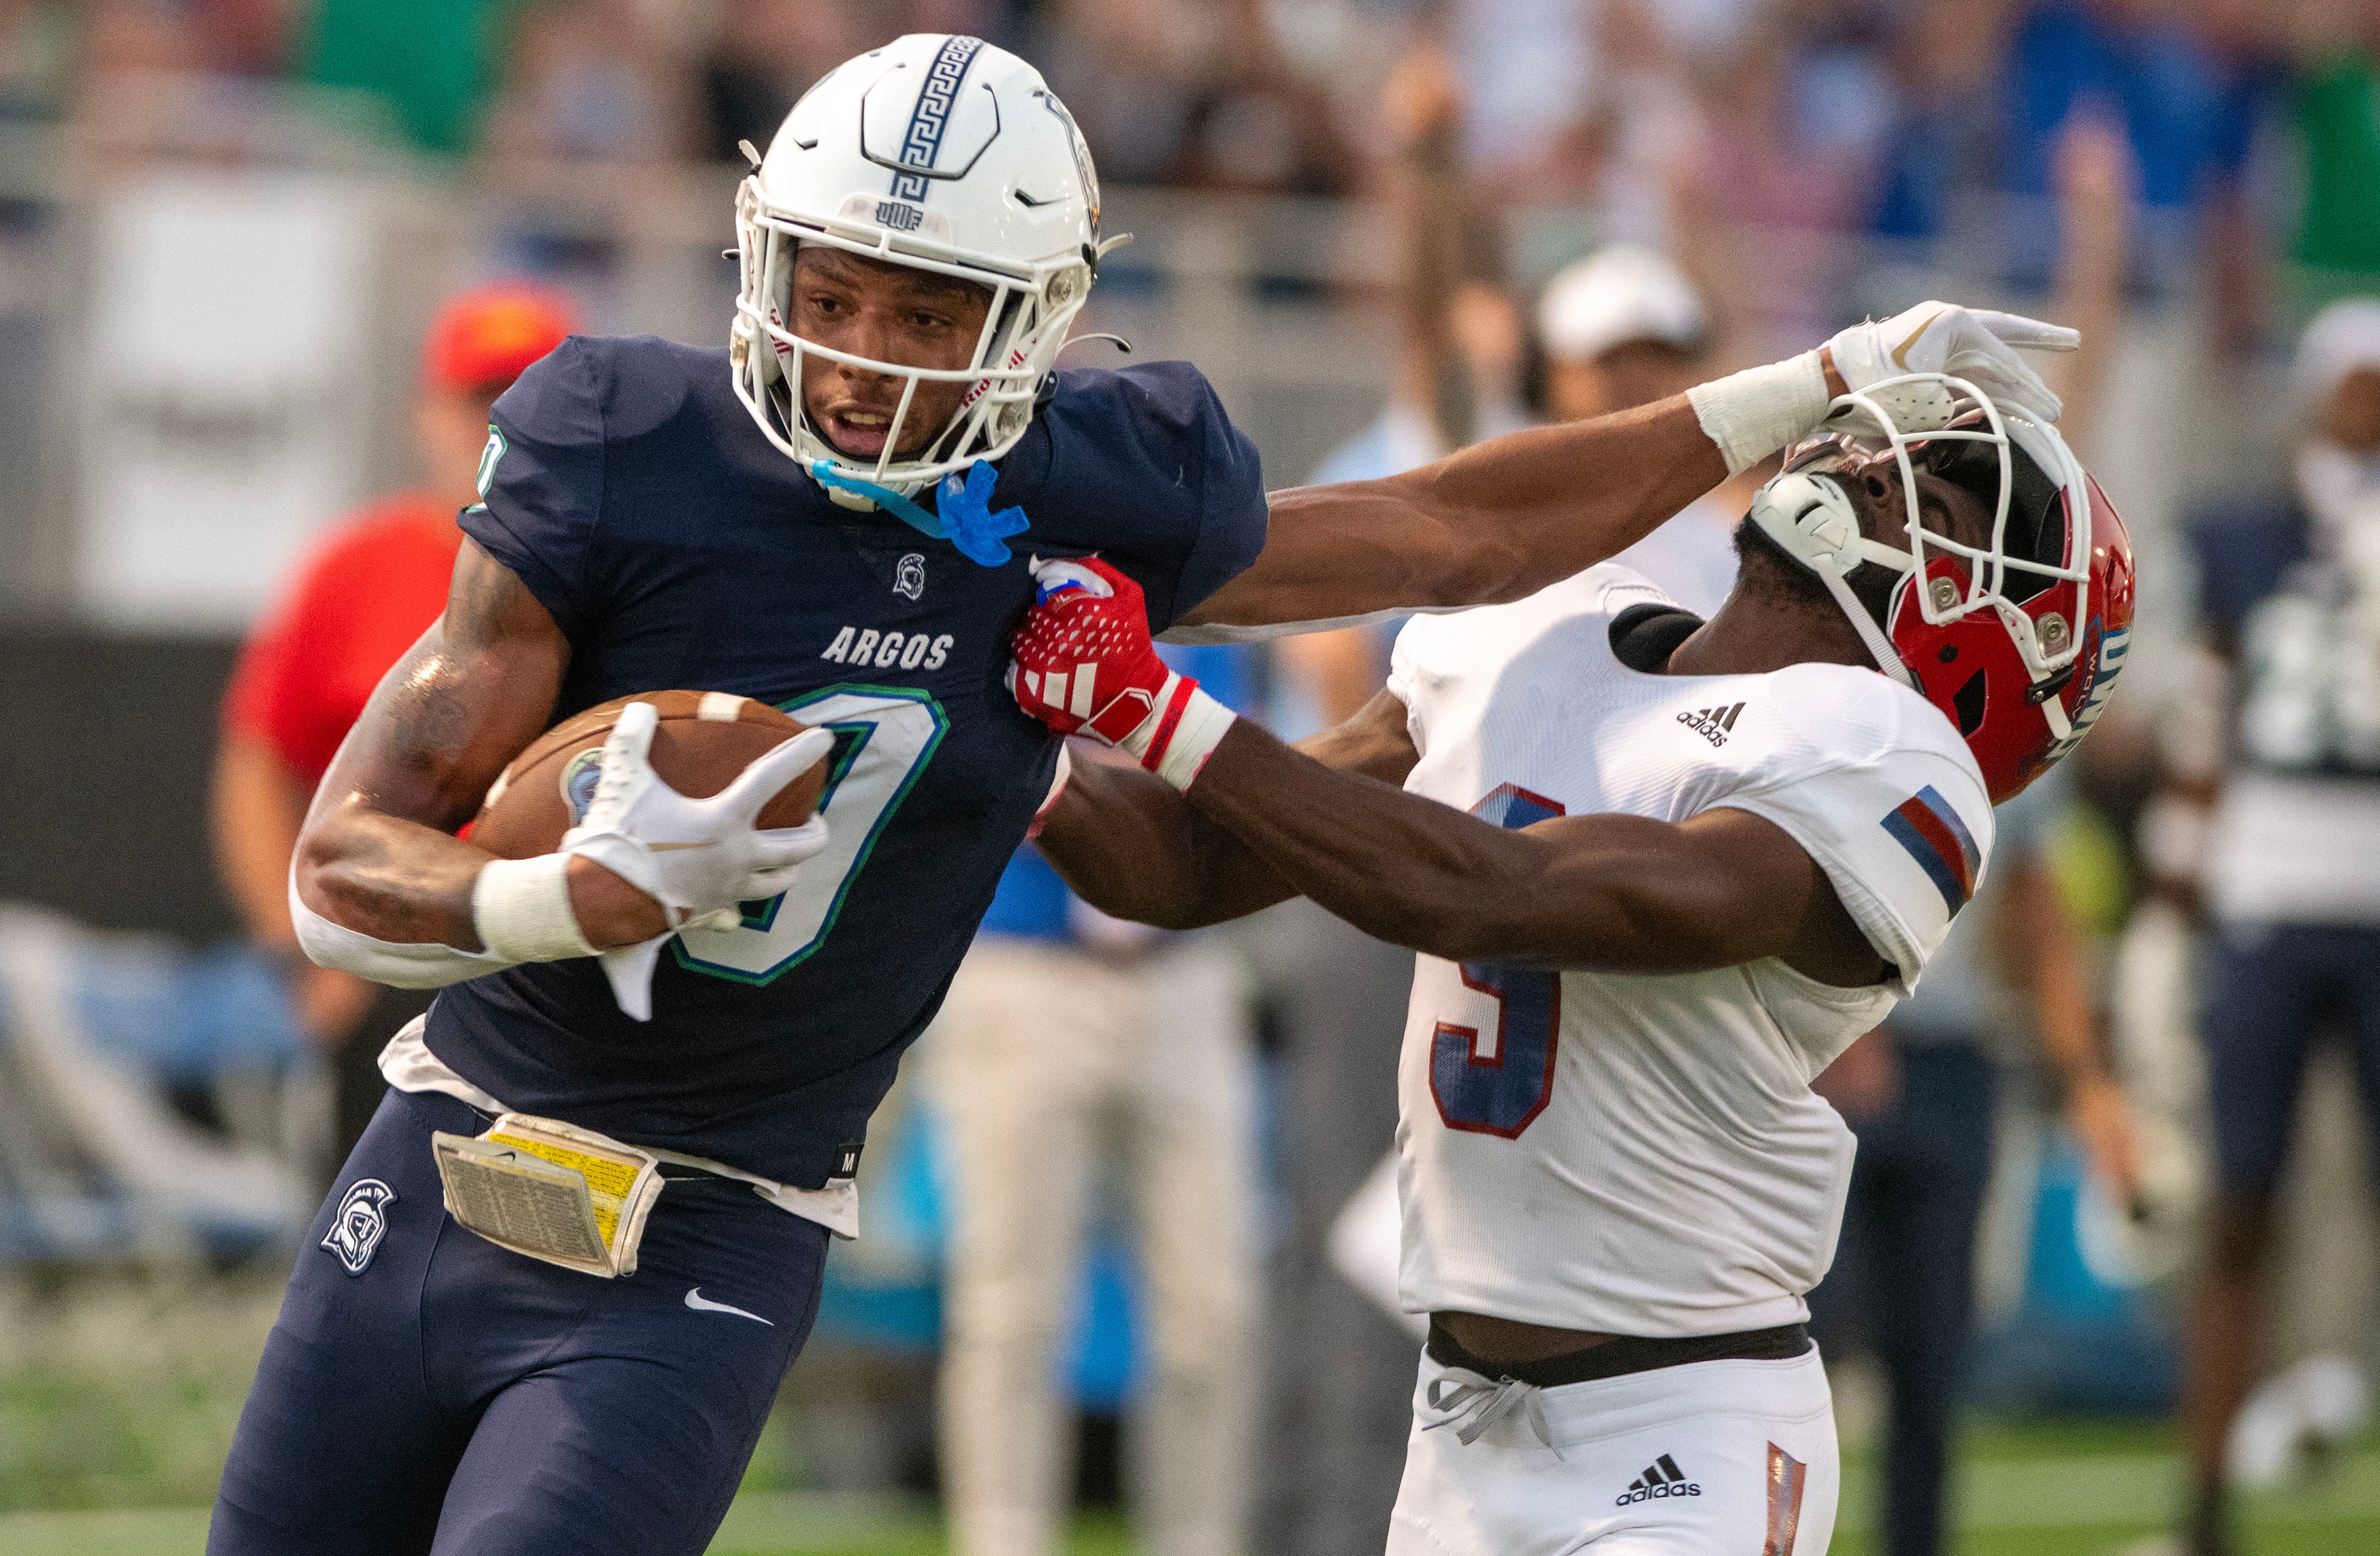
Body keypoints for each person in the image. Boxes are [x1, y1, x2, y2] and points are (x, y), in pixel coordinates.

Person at [209, 28, 2083, 1554]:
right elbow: (336, 867)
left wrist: (1802, 384)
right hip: (448, 1135)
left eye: (932, 312)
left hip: (714, 1213)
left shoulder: (1084, 479)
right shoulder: (620, 440)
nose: (864, 355)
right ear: (761, 252)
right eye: (836, 286)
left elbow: (1448, 522)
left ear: (1032, 319)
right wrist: (565, 899)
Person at [1013, 359, 2132, 1552]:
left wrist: (1146, 704)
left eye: (1939, 511)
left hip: (1687, 1425)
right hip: (1461, 1426)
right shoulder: (1539, 628)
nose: (1868, 468)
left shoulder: (1891, 765)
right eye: (1869, 451)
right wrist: (1013, 753)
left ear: (1986, 650)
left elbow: (1497, 890)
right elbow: (1184, 865)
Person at [211, 281, 577, 1173]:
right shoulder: (356, 566)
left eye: (524, 399)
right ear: (430, 413)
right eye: (480, 398)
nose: (497, 424)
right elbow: (257, 763)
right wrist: (300, 948)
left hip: (545, 960)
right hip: (387, 953)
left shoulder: (614, 573)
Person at [928, 646, 1265, 1556]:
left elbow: (1238, 777)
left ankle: (1199, 1542)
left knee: (1214, 1307)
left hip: (1180, 970)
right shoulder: (1005, 564)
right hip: (1023, 961)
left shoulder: (1211, 585)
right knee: (1009, 1307)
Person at [2162, 298, 2380, 1556]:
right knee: (2243, 1197)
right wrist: (2171, 912)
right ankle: (2203, 1500)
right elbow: (2205, 726)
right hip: (2271, 893)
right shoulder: (2248, 534)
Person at [1808, 759, 2141, 1556]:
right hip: (1826, 1047)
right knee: (1795, 1339)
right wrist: (1834, 1017)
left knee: (1932, 1356)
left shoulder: (2016, 732)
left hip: (1957, 1054)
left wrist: (2089, 1080)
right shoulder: (1842, 700)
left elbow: (2033, 901)